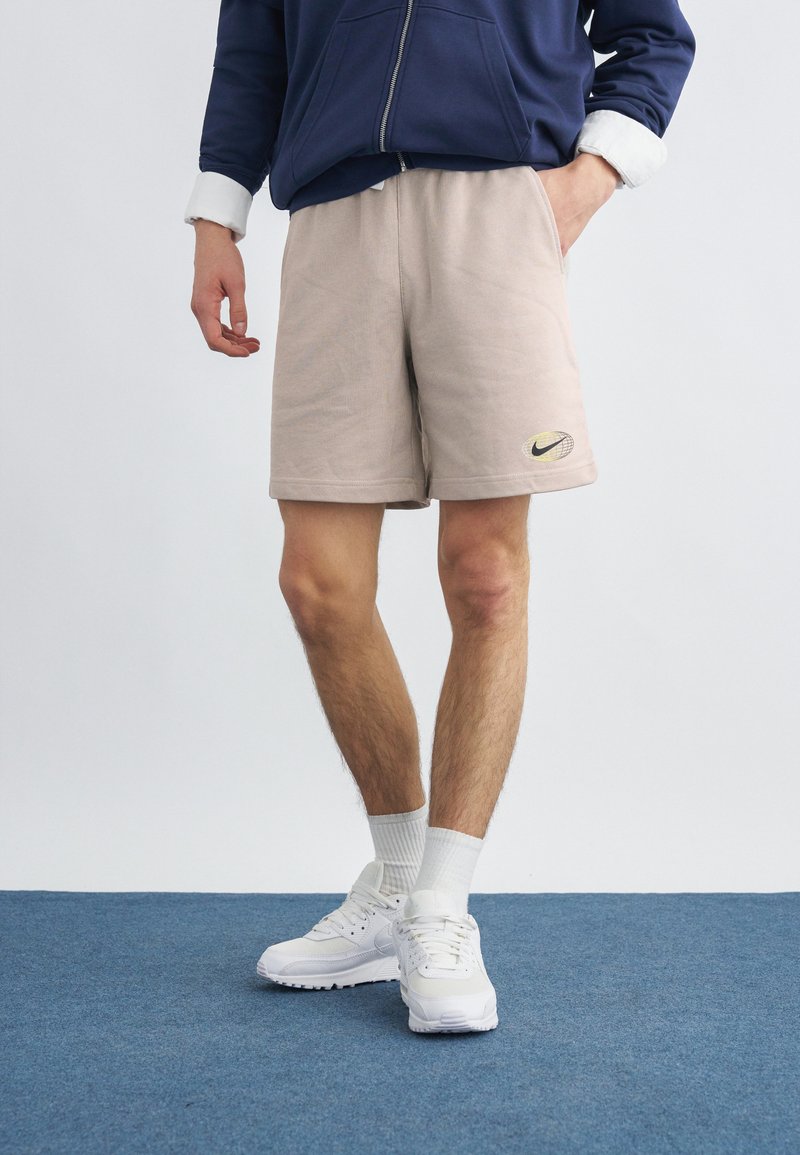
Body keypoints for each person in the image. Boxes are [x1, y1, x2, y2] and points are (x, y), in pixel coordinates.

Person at [184, 0, 696, 1034]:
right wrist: (215, 218)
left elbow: (655, 34)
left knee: (484, 574)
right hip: (334, 213)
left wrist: (587, 180)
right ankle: (396, 881)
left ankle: (440, 906)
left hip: (497, 208)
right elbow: (253, 48)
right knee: (318, 584)